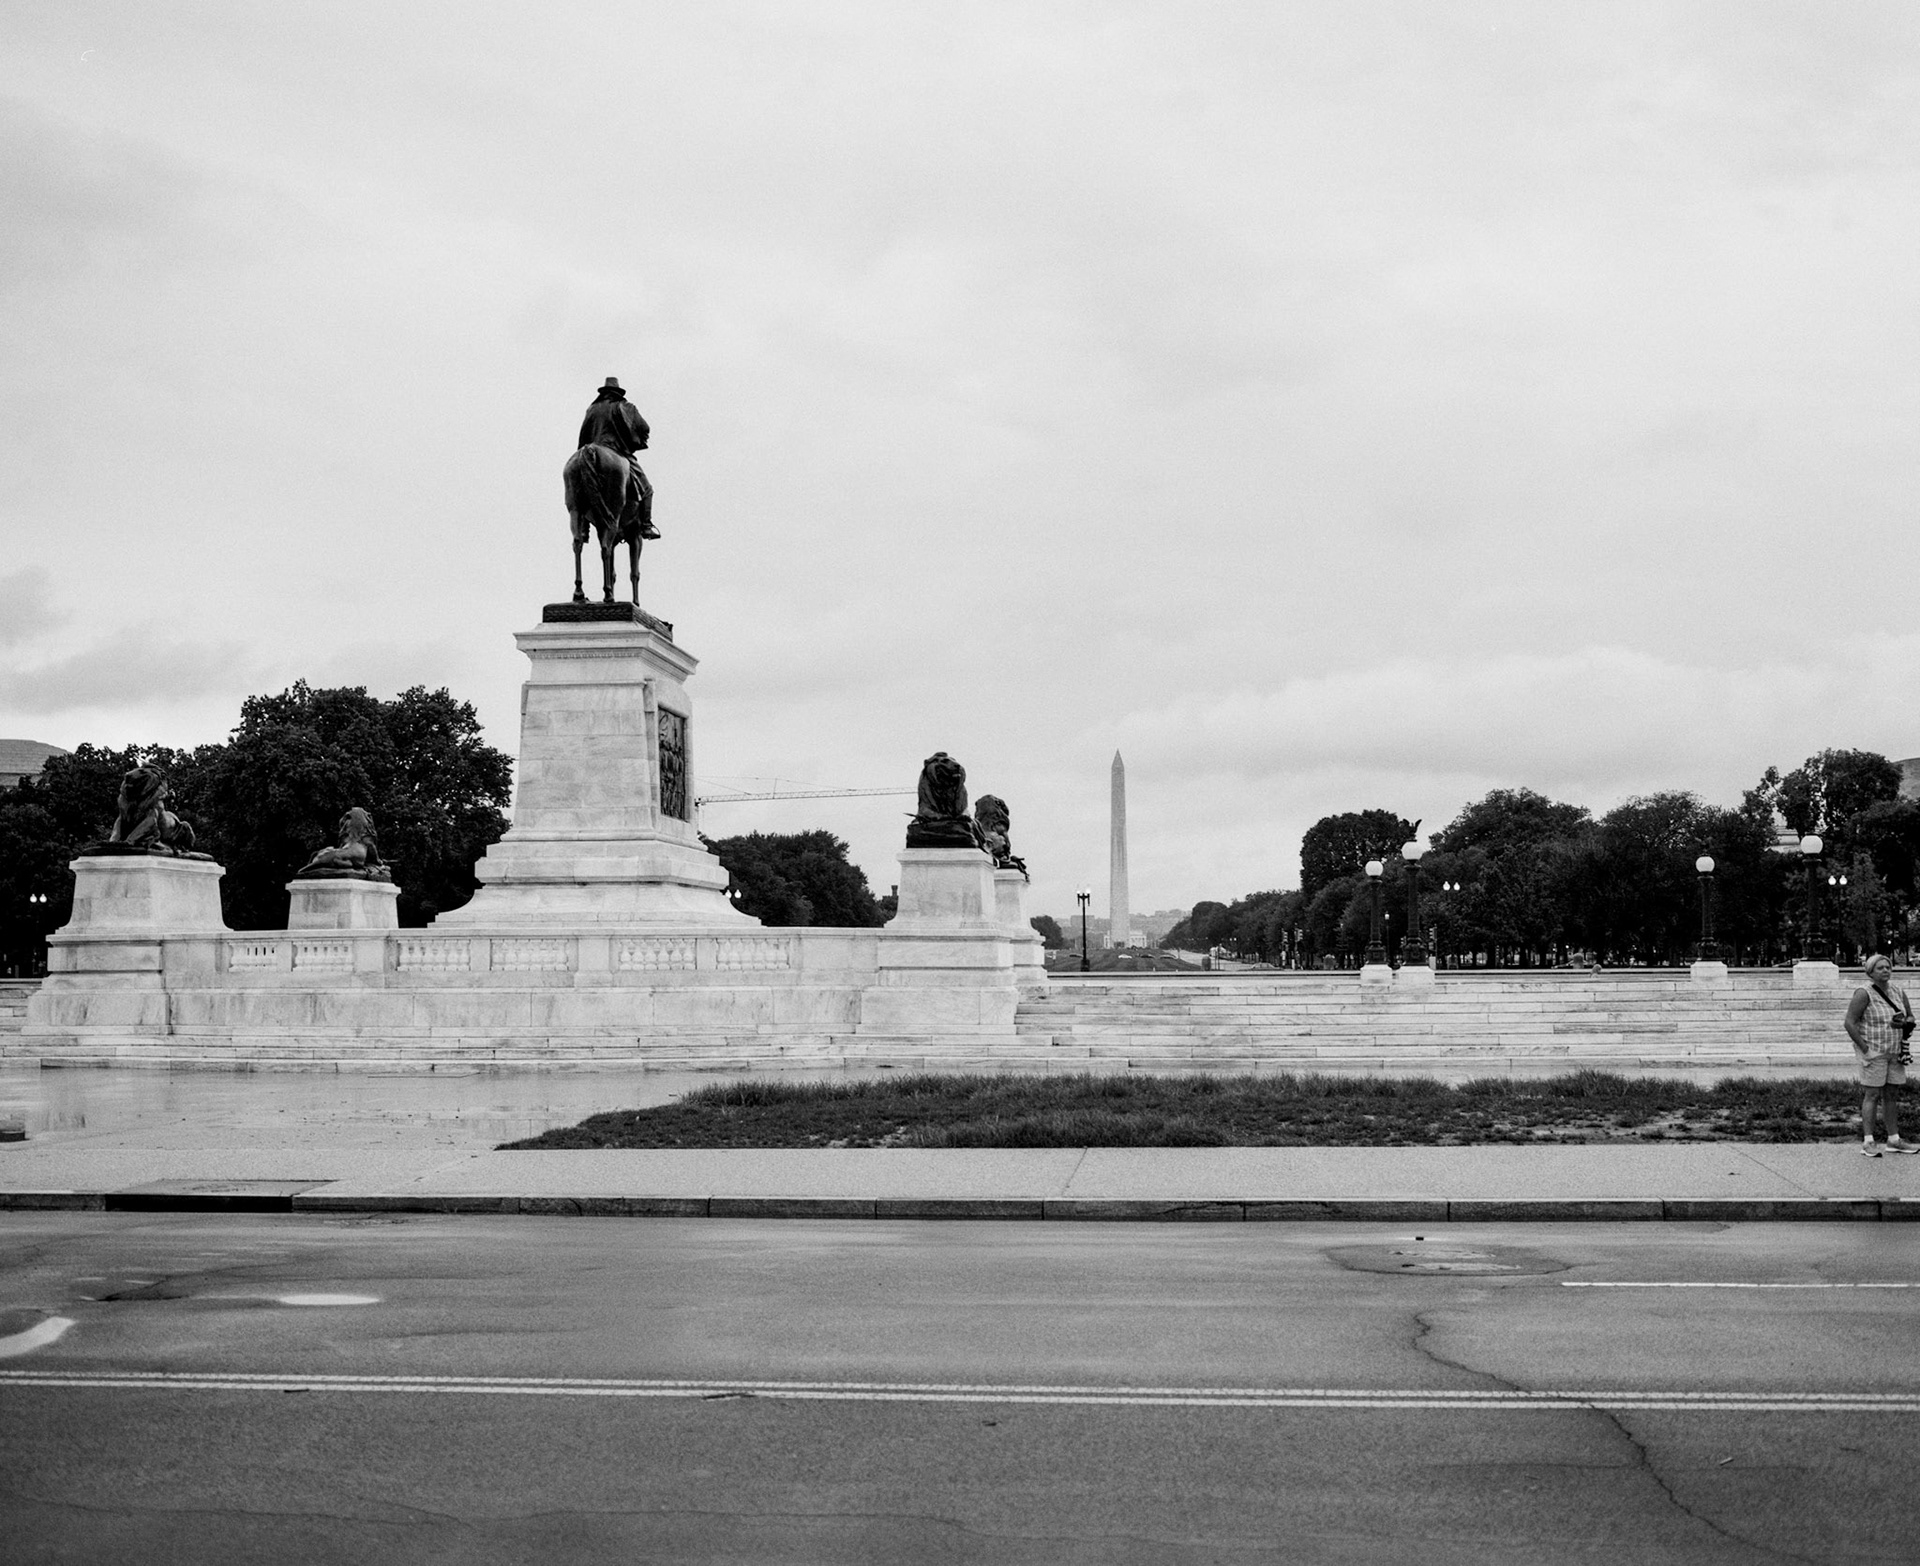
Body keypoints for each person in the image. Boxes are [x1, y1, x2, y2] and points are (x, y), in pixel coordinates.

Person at [1844, 953, 1919, 1156]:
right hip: (1873, 1050)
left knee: (1891, 1094)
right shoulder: (1864, 993)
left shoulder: (1897, 991)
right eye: (1880, 968)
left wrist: (1904, 1022)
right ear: (1870, 972)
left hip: (1894, 1050)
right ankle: (1868, 1141)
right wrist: (1865, 1049)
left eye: (1888, 967)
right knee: (1873, 1094)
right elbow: (1849, 1022)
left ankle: (1894, 1139)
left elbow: (1910, 1016)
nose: (1885, 970)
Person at [577, 377, 660, 538]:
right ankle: (646, 525)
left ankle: (583, 527)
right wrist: (634, 439)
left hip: (589, 451)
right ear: (617, 393)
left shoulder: (592, 409)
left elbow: (584, 434)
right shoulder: (626, 407)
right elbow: (644, 428)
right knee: (647, 489)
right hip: (617, 450)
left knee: (581, 487)